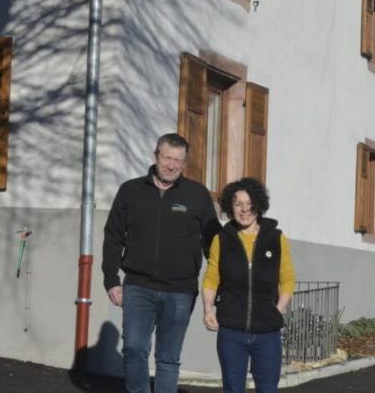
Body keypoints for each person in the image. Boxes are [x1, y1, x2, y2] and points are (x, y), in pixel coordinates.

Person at [102, 133, 220, 393]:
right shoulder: (130, 191)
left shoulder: (197, 194)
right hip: (138, 286)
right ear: (156, 156)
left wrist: (220, 283)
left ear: (184, 163)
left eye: (178, 160)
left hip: (180, 290)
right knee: (134, 349)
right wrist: (111, 280)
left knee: (168, 358)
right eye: (167, 158)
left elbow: (214, 243)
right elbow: (113, 236)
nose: (172, 165)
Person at [201, 177, 295, 393]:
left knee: (268, 389)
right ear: (230, 208)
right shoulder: (221, 239)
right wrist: (208, 309)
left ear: (258, 205)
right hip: (231, 331)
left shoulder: (277, 238)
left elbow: (288, 278)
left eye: (249, 203)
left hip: (267, 333)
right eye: (237, 204)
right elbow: (212, 276)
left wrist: (277, 309)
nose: (244, 210)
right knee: (233, 389)